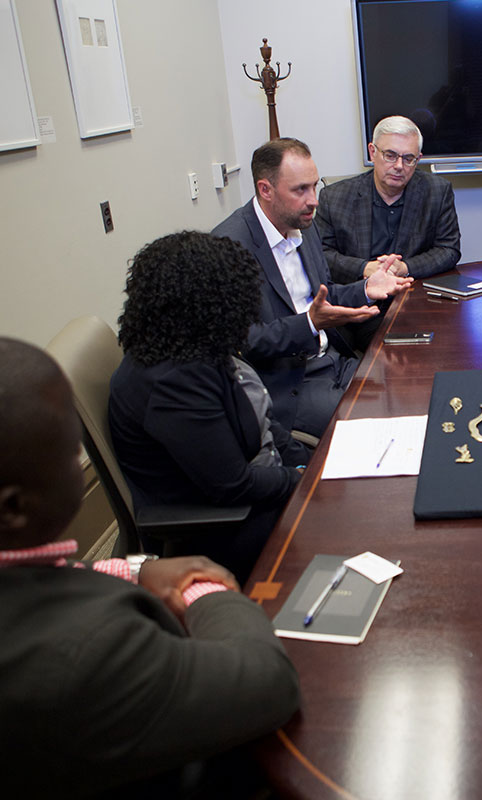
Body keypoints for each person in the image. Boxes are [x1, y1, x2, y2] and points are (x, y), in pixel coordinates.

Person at [0, 337, 300, 797]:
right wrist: (206, 588)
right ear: (15, 508)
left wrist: (137, 569)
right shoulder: (88, 653)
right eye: (69, 449)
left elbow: (59, 575)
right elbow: (269, 682)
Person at [110, 232, 312, 583]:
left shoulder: (191, 346)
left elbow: (257, 419)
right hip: (220, 527)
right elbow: (233, 485)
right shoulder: (173, 383)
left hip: (246, 489)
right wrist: (298, 479)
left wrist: (306, 461)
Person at [213, 137, 412, 438]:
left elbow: (323, 295)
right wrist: (309, 323)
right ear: (265, 190)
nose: (314, 200)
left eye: (314, 186)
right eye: (300, 190)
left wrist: (365, 288)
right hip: (289, 382)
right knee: (375, 429)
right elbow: (246, 343)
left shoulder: (303, 224)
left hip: (332, 360)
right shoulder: (230, 245)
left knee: (408, 393)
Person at [315, 115, 461, 282]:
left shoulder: (437, 192)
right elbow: (320, 254)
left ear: (418, 159)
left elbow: (449, 250)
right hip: (357, 296)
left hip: (411, 292)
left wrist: (405, 268)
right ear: (372, 152)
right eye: (390, 155)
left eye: (408, 159)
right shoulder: (334, 197)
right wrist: (365, 268)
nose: (399, 166)